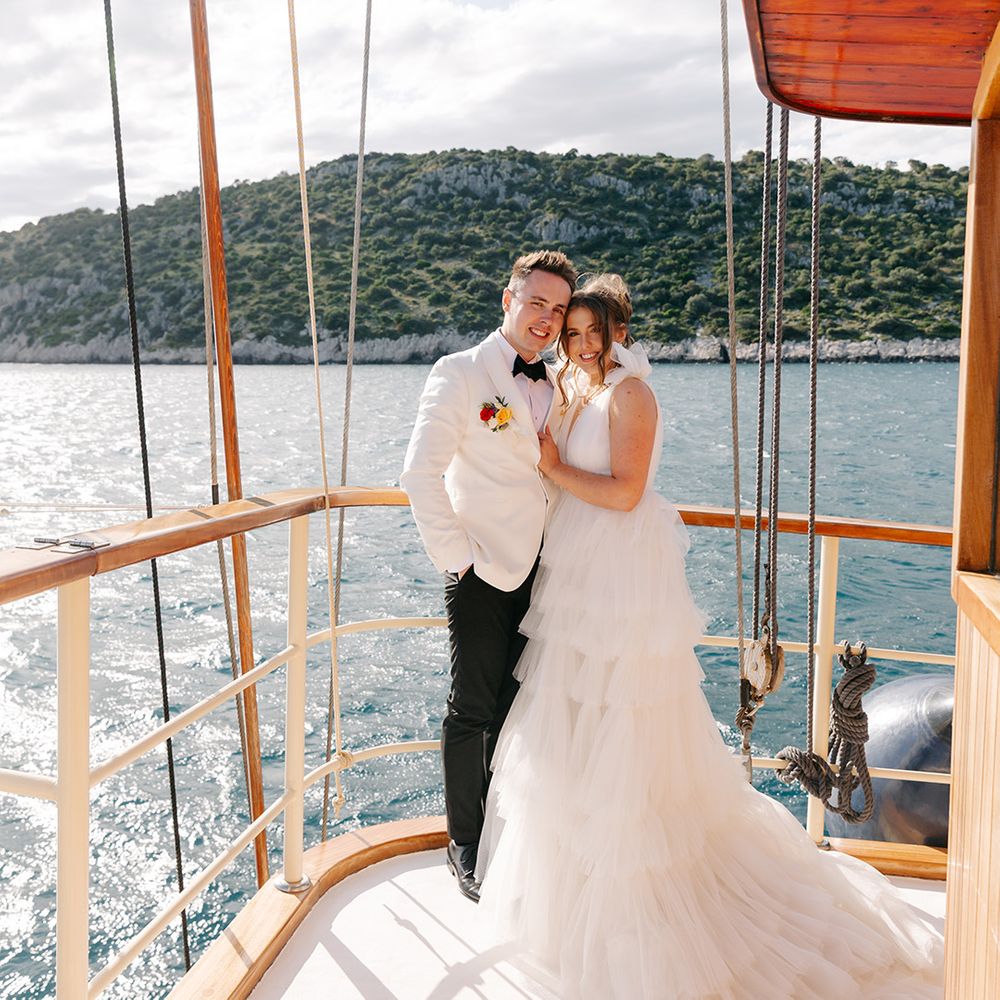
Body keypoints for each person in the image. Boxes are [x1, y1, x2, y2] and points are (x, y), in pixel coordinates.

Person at [476, 274, 944, 998]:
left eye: (595, 331)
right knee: (573, 720)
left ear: (619, 331)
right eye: (573, 333)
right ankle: (573, 895)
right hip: (574, 573)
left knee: (625, 721)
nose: (583, 344)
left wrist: (555, 467)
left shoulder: (632, 395)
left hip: (618, 574)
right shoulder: (572, 385)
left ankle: (640, 899)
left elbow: (626, 492)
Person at [401, 250, 577, 902]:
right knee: (471, 709)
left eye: (558, 309)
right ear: (509, 301)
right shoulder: (460, 373)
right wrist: (460, 561)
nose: (547, 319)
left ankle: (504, 832)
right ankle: (465, 840)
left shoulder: (555, 383)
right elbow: (419, 474)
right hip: (480, 570)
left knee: (513, 708)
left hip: (543, 572)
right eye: (537, 303)